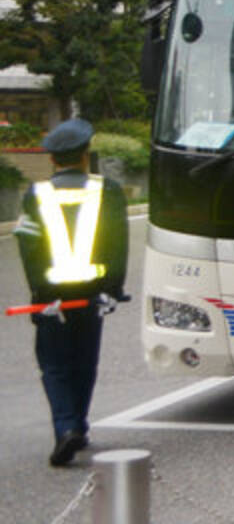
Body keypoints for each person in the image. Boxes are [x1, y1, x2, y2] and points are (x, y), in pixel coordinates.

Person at [13, 119, 128, 466]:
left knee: (55, 366)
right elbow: (117, 243)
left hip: (52, 299)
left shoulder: (36, 195)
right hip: (92, 294)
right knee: (84, 362)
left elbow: (29, 250)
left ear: (52, 160)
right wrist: (113, 290)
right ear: (85, 155)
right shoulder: (107, 190)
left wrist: (38, 297)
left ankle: (66, 428)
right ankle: (78, 424)